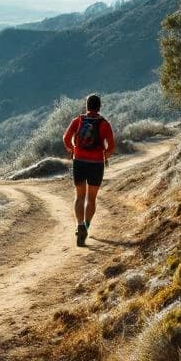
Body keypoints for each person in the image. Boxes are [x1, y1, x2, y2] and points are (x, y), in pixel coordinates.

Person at [62, 93, 115, 247]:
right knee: (91, 198)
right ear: (99, 107)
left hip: (79, 161)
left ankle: (79, 225)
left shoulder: (78, 120)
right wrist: (105, 156)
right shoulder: (104, 124)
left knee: (79, 196)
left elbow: (66, 138)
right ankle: (86, 226)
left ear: (87, 106)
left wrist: (73, 150)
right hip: (96, 164)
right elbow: (111, 147)